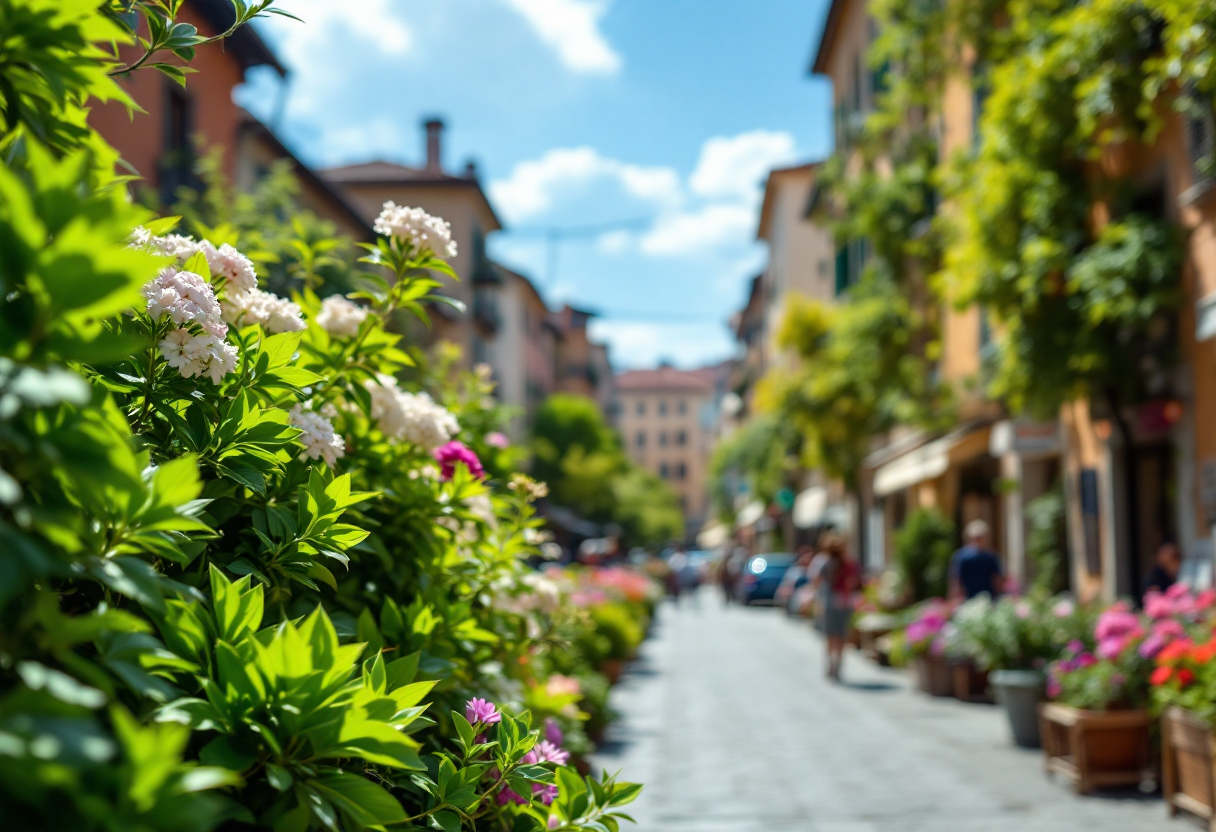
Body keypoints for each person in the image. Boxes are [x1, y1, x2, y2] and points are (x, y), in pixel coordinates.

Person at [811, 533, 858, 681]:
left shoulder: (825, 564)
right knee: (841, 635)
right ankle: (838, 663)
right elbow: (853, 582)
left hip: (829, 602)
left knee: (830, 635)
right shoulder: (847, 564)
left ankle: (830, 663)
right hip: (843, 602)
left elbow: (817, 582)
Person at [949, 519, 1004, 601]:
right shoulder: (962, 557)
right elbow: (957, 580)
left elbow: (997, 579)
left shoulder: (991, 557)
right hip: (968, 599)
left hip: (988, 598)